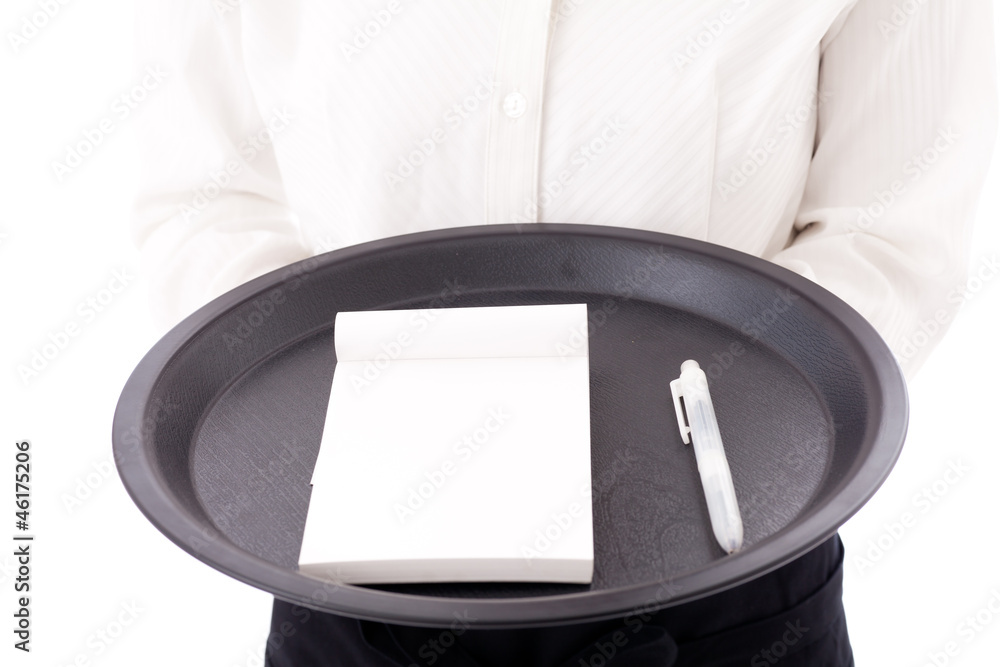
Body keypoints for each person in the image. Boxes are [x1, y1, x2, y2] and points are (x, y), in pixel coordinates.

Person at [131, 0, 997, 664]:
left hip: (724, 586)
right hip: (353, 589)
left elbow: (889, 238)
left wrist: (712, 431)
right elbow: (204, 195)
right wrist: (337, 428)